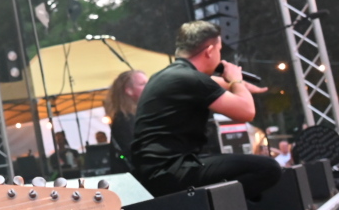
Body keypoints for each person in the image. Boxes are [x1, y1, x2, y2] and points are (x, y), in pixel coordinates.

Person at [131, 21, 281, 198]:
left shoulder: (168, 75)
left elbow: (213, 84)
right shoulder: (191, 79)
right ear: (210, 51)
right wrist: (237, 81)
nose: (221, 55)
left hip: (154, 171)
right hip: (173, 171)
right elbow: (247, 111)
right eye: (219, 50)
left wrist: (239, 84)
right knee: (268, 169)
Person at [104, 69, 147, 173]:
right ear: (129, 90)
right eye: (142, 84)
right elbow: (135, 153)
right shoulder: (124, 119)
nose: (148, 87)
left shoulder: (134, 115)